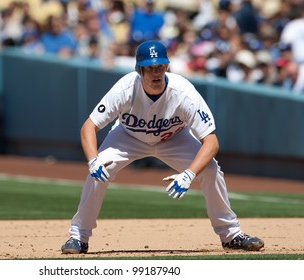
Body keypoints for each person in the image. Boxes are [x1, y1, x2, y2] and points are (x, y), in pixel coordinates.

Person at [61, 40, 264, 254]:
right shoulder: (125, 88)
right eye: (150, 67)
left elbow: (211, 141)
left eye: (160, 66)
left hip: (173, 139)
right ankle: (78, 236)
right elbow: (89, 126)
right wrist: (93, 160)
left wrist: (188, 174)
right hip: (127, 137)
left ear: (167, 66)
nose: (156, 72)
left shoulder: (183, 92)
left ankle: (231, 235)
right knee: (99, 170)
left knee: (211, 170)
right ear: (139, 70)